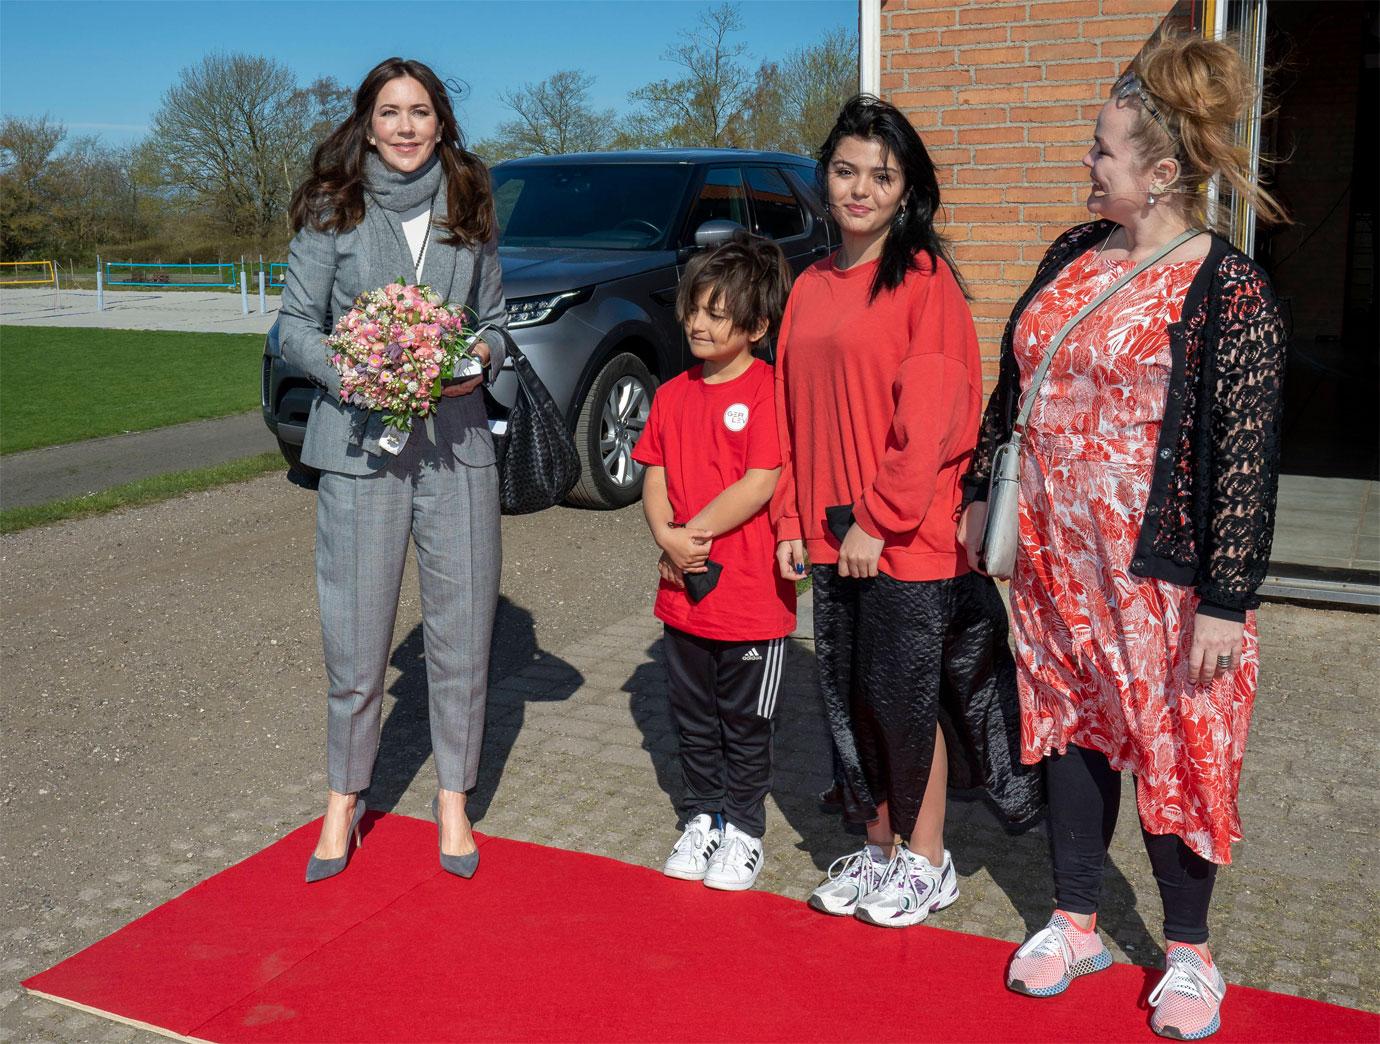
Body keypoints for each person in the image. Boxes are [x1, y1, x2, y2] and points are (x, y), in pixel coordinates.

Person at [958, 33, 1288, 1039]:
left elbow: (1246, 451)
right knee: (1069, 730)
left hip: (1162, 573)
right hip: (1057, 559)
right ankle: (1075, 919)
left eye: (1102, 151)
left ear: (1161, 171)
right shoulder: (1072, 253)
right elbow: (1018, 380)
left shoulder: (1228, 289)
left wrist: (1226, 597)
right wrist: (982, 485)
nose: (1086, 165)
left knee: (1181, 750)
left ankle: (1189, 953)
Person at [773, 95, 1039, 928]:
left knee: (902, 702)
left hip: (904, 538)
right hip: (828, 532)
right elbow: (787, 415)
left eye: (880, 176)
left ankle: (929, 862)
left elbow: (931, 423)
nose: (859, 189)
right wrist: (790, 523)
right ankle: (880, 850)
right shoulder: (811, 283)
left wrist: (877, 521)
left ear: (906, 189)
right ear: (825, 177)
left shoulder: (924, 284)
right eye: (846, 170)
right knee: (849, 703)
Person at [279, 57, 508, 883]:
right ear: (367, 123)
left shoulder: (472, 204)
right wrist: (359, 371)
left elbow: (497, 319)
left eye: (420, 112)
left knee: (462, 634)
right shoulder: (330, 207)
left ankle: (454, 797)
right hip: (357, 451)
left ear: (441, 123)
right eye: (389, 112)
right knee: (356, 637)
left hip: (457, 448)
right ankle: (344, 798)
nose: (405, 127)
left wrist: (480, 352)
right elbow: (293, 328)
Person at [631, 234, 796, 893]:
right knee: (692, 720)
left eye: (717, 313)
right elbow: (653, 474)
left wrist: (690, 532)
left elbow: (760, 480)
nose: (698, 323)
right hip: (684, 600)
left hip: (753, 601)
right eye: (695, 308)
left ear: (755, 326)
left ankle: (744, 829)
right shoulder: (672, 394)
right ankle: (702, 816)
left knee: (746, 724)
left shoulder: (767, 392)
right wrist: (666, 536)